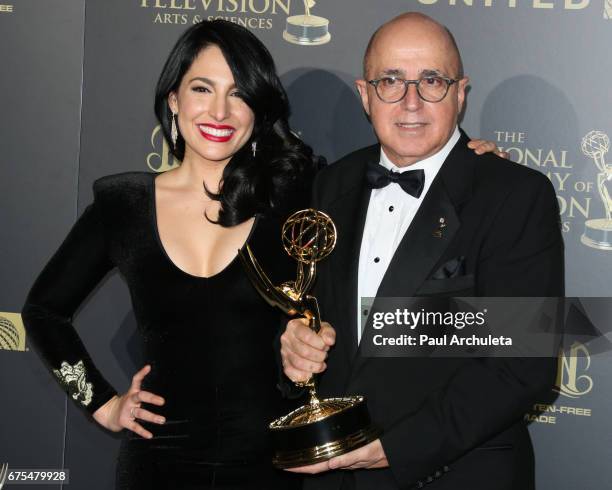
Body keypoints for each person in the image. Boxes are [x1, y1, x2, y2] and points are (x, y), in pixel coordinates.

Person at [22, 18, 505, 490]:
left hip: (276, 463)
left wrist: (463, 164)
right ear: (173, 99)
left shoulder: (301, 193)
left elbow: (407, 176)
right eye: (202, 89)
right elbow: (43, 311)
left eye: (239, 93)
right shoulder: (122, 204)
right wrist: (103, 405)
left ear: (258, 110)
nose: (219, 112)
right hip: (156, 464)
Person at [279, 12, 564, 490]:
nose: (411, 100)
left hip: (456, 473)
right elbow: (319, 318)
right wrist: (294, 349)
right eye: (390, 80)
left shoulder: (515, 194)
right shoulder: (331, 185)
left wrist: (397, 448)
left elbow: (523, 364)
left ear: (460, 92)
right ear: (365, 94)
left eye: (431, 80)